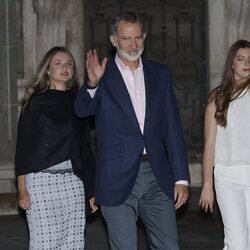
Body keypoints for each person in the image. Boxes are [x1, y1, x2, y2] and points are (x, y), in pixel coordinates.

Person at [75, 11, 190, 250]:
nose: (133, 44)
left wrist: (181, 177)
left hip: (157, 175)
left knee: (169, 246)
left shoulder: (160, 75)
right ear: (113, 40)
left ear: (145, 37)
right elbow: (81, 111)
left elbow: (172, 129)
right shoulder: (102, 75)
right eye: (126, 38)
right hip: (116, 177)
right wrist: (92, 84)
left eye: (138, 37)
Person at [15, 46, 98, 250]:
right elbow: (24, 148)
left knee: (73, 242)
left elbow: (84, 147)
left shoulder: (79, 102)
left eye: (69, 64)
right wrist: (22, 189)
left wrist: (91, 190)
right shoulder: (35, 103)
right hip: (41, 182)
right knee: (44, 243)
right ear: (47, 70)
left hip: (73, 182)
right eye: (58, 64)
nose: (64, 68)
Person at [199, 40, 250, 249]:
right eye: (241, 59)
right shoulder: (218, 98)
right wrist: (207, 185)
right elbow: (209, 144)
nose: (246, 63)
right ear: (232, 63)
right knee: (237, 243)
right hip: (226, 176)